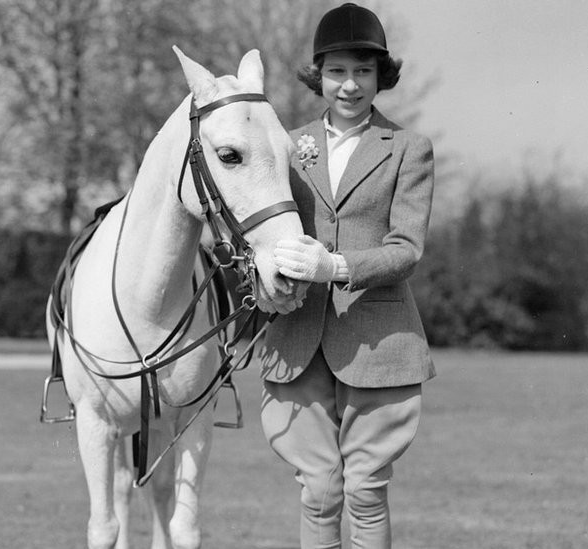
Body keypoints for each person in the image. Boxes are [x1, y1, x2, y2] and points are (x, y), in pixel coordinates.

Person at [258, 3, 435, 548]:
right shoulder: (285, 143)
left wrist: (334, 267)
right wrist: (271, 283)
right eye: (337, 71)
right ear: (319, 75)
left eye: (363, 70)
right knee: (319, 490)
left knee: (364, 490)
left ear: (381, 75)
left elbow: (405, 249)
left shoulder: (409, 148)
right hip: (297, 335)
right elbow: (260, 235)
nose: (350, 85)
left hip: (377, 341)